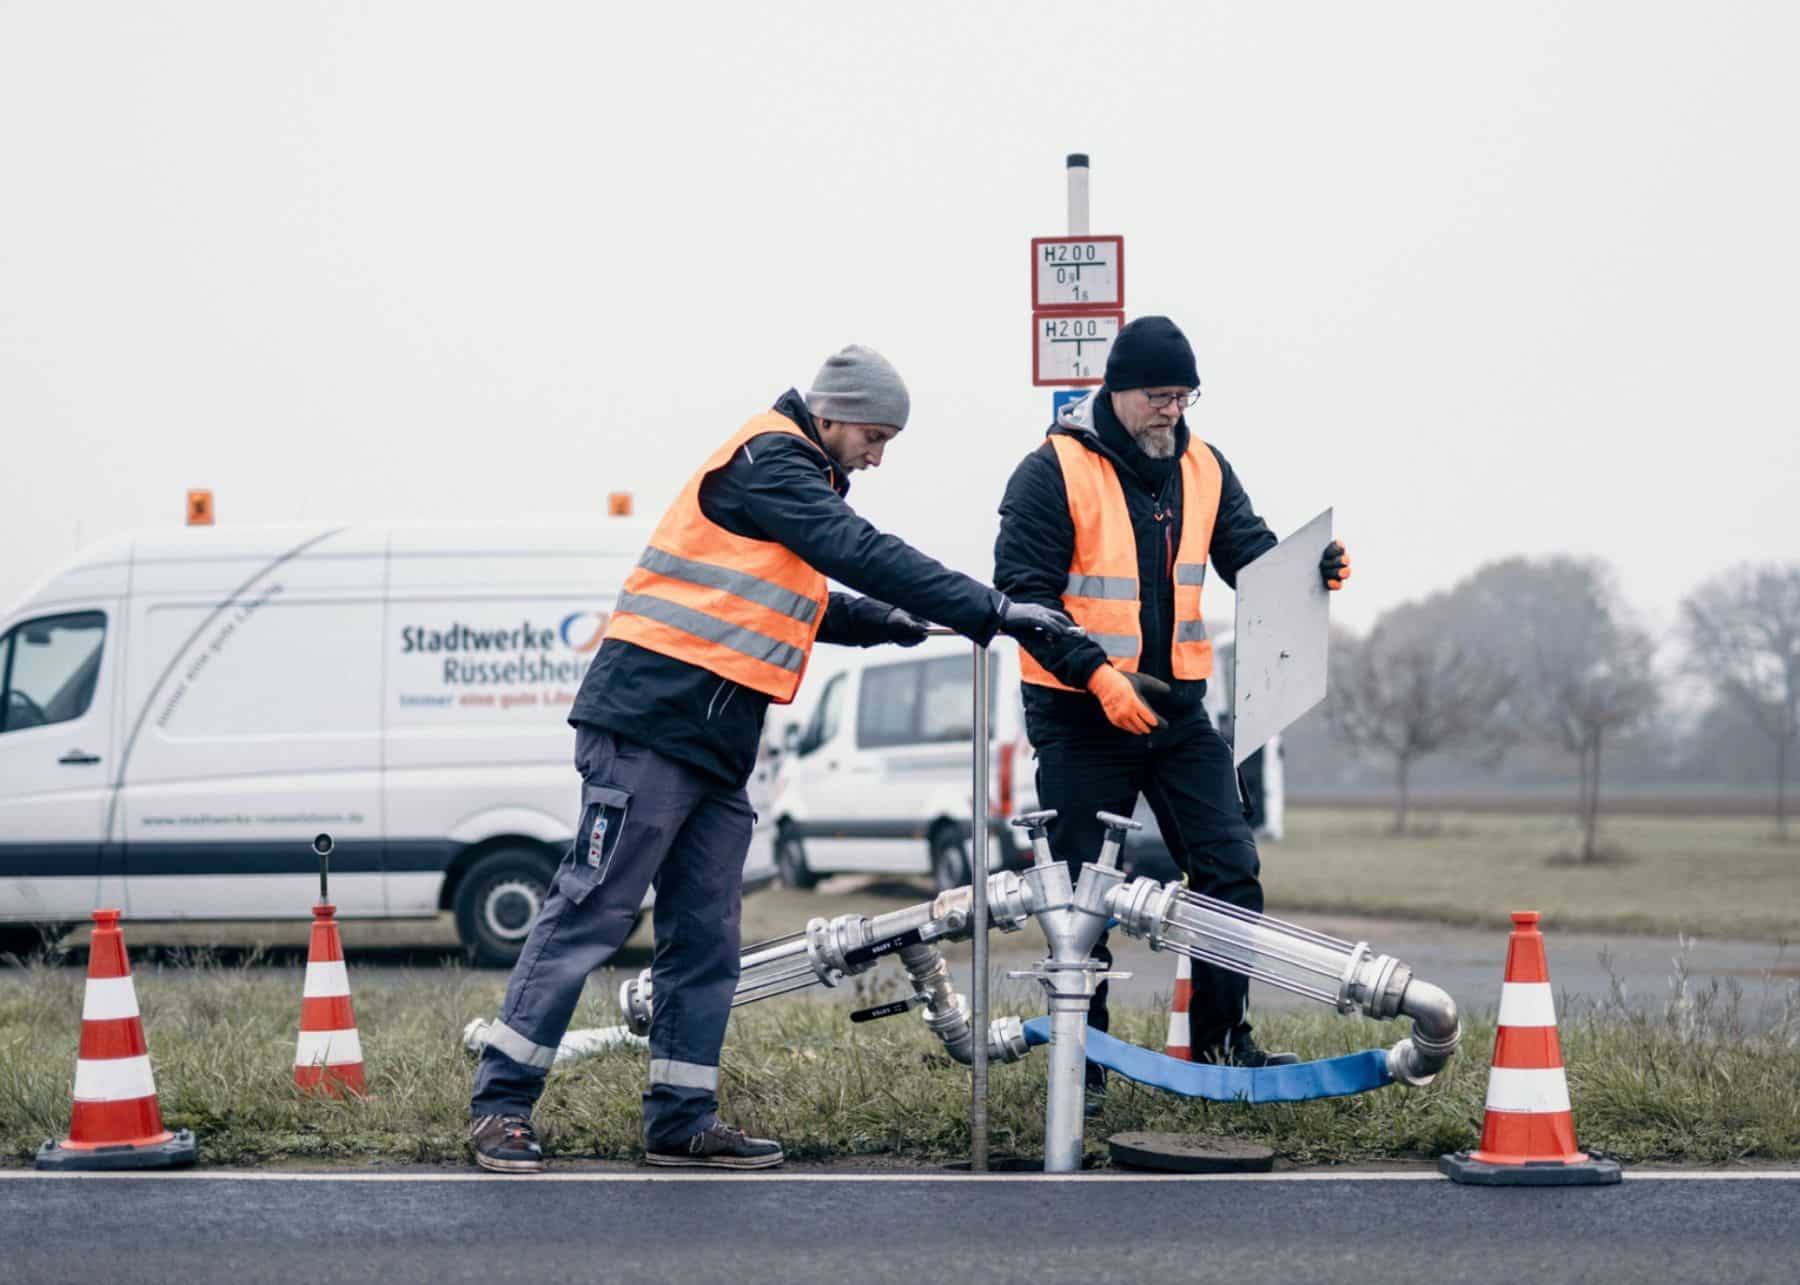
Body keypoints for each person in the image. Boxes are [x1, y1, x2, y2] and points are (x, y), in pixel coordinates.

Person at [469, 345, 1079, 1172]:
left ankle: (680, 1118)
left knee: (706, 937)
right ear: (829, 414)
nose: (878, 455)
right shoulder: (770, 458)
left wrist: (882, 622)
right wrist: (991, 607)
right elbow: (854, 548)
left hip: (715, 746)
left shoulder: (798, 480)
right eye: (873, 435)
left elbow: (796, 598)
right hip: (648, 725)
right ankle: (500, 1105)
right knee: (593, 911)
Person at [994, 316, 1350, 1097]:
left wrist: (1307, 570)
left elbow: (1249, 556)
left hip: (1179, 713)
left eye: (1185, 395)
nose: (1173, 410)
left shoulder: (1205, 467)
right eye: (1160, 395)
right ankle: (1081, 1064)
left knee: (1230, 866)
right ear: (1118, 391)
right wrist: (1099, 676)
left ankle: (1223, 1046)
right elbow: (1024, 596)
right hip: (1080, 713)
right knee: (1084, 894)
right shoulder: (1050, 472)